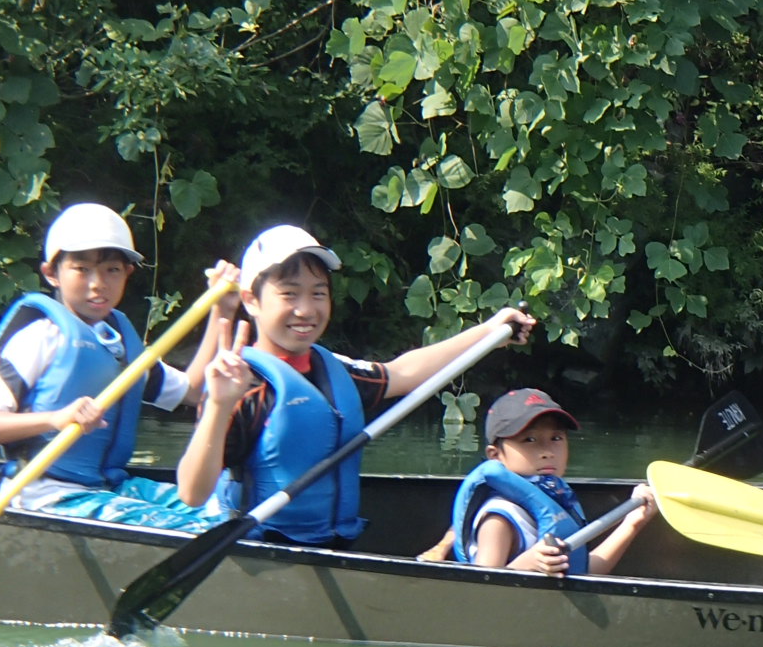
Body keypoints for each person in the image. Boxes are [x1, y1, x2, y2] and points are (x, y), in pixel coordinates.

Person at [175, 224, 534, 547]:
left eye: (318, 293)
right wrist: (220, 406)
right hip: (261, 549)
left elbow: (404, 372)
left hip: (333, 544)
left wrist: (491, 332)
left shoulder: (336, 371)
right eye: (289, 294)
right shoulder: (239, 382)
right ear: (252, 301)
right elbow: (192, 493)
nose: (306, 310)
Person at [0, 202, 238, 529]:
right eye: (82, 269)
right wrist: (57, 418)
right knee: (202, 530)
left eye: (112, 270)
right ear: (52, 273)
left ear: (127, 273)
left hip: (108, 487)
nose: (98, 284)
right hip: (46, 495)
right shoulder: (40, 336)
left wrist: (222, 311)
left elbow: (192, 392)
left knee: (227, 510)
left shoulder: (118, 339)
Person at [425, 387, 655, 574]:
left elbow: (584, 572)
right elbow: (483, 593)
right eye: (530, 439)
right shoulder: (499, 519)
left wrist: (632, 523)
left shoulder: (555, 499)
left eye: (556, 438)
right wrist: (527, 564)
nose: (547, 451)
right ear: (495, 455)